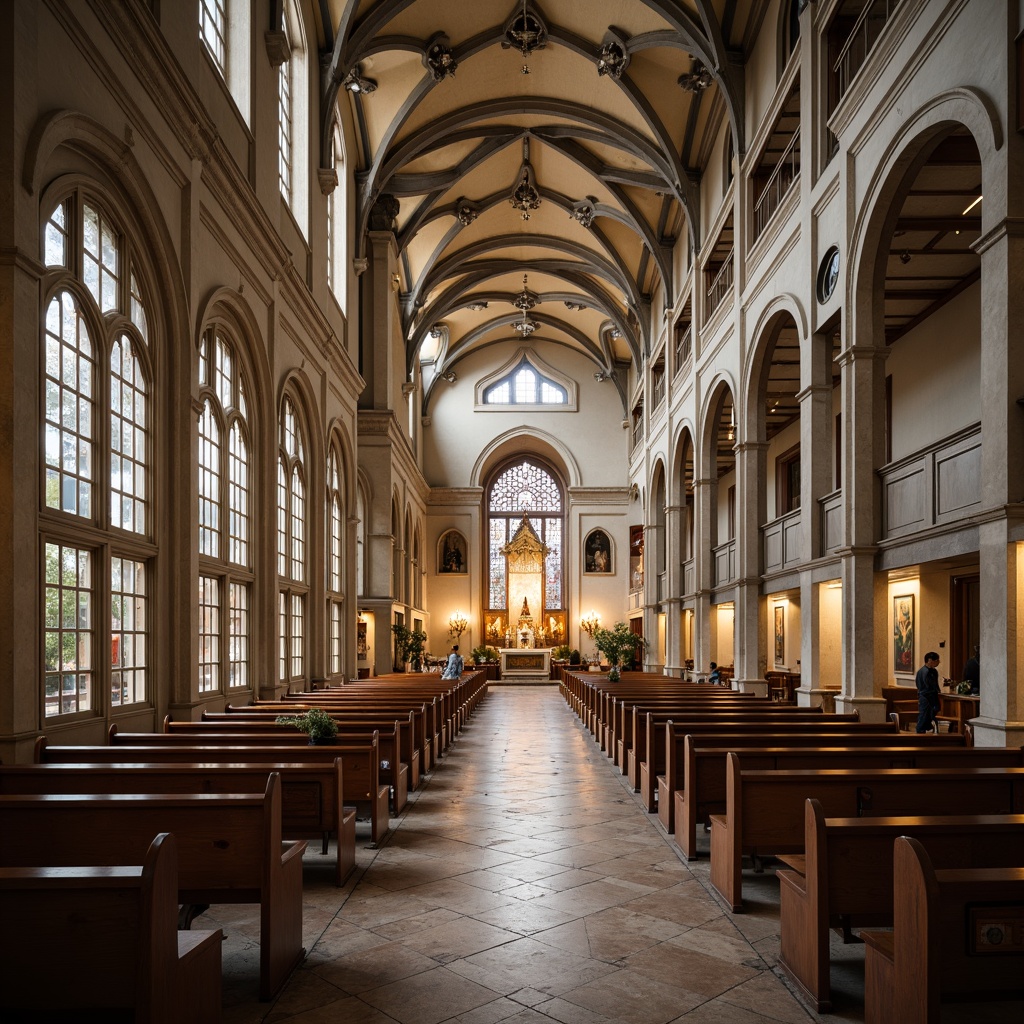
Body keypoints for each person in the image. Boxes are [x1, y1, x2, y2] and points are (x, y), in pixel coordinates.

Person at [915, 651, 941, 733]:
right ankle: (920, 732)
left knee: (931, 714)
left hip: (932, 695)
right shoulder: (924, 671)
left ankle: (927, 729)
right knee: (924, 715)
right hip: (926, 696)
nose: (938, 662)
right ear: (930, 660)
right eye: (936, 660)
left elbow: (935, 684)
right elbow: (926, 685)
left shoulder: (934, 671)